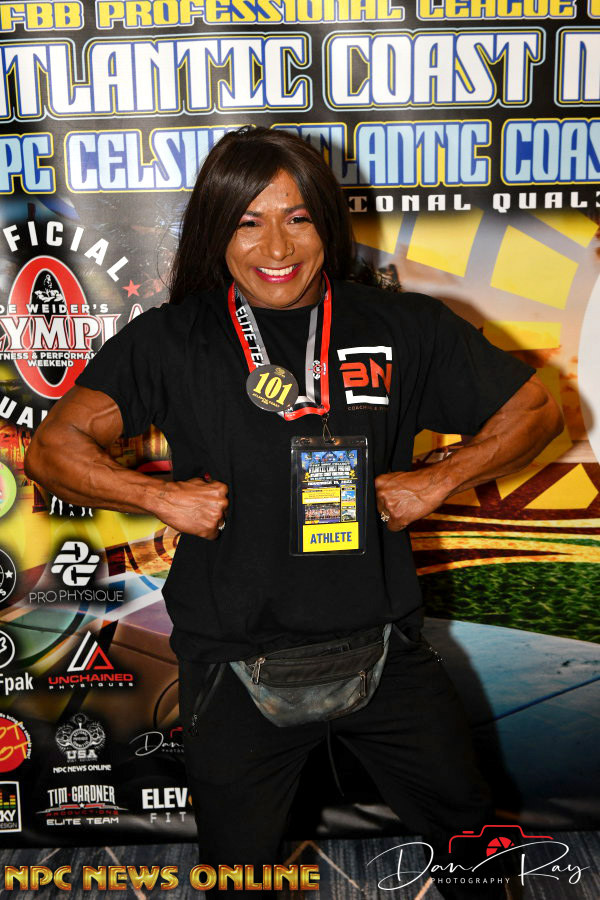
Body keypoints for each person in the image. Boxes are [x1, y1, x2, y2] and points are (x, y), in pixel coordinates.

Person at [25, 127, 562, 898]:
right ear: (218, 231)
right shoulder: (173, 339)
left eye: (298, 218)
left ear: (327, 225)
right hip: (235, 664)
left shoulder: (403, 326)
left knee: (476, 849)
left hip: (384, 651)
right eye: (249, 221)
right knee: (239, 876)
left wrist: (440, 481)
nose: (275, 246)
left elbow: (536, 411)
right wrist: (160, 496)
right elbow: (53, 449)